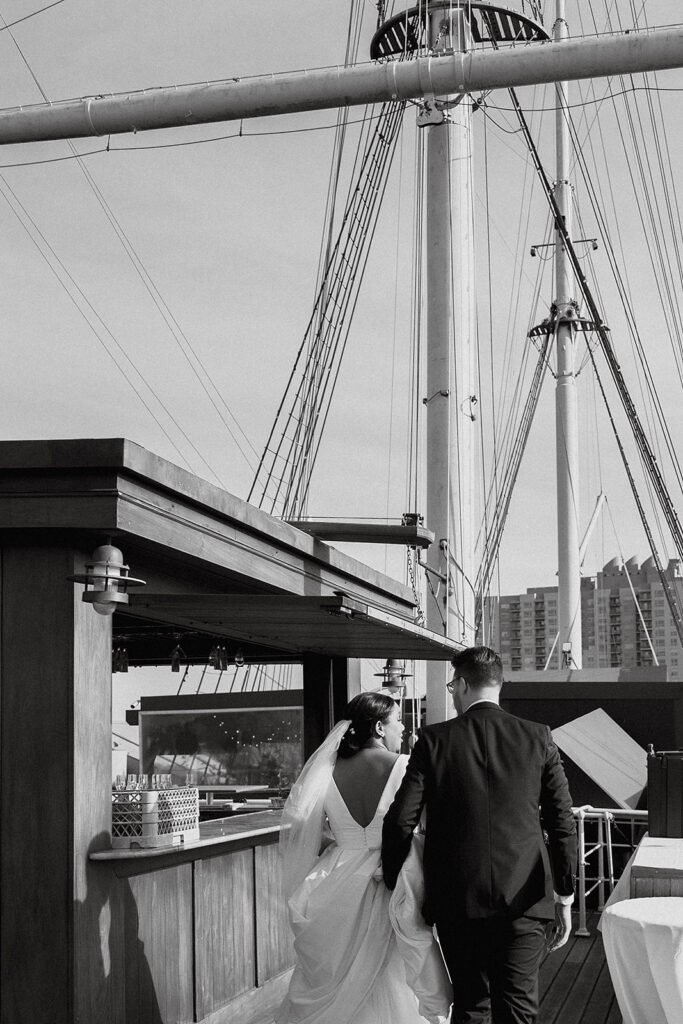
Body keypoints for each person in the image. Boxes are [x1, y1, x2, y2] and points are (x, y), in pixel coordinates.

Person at [382, 646, 577, 1024]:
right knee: (519, 1009)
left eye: (453, 685)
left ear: (463, 685)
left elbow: (400, 820)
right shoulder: (539, 738)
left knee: (471, 1005)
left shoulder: (434, 740)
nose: (452, 693)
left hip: (457, 900)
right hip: (524, 900)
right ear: (499, 685)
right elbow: (562, 821)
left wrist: (394, 881)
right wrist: (565, 897)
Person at [277, 692, 452, 1024]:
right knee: (396, 965)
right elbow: (427, 823)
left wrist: (344, 843)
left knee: (339, 968)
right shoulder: (403, 765)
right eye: (397, 719)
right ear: (379, 727)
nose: (403, 727)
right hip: (394, 873)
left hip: (339, 878)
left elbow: (304, 831)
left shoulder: (326, 771)